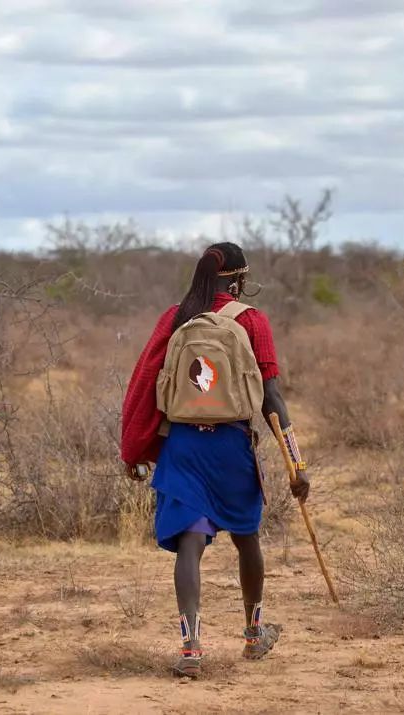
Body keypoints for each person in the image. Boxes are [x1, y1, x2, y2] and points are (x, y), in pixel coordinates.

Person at [120, 242, 309, 679]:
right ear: (239, 280)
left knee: (189, 543)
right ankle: (253, 633)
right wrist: (296, 464)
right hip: (230, 446)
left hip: (183, 444)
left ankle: (191, 647)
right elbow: (272, 398)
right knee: (247, 537)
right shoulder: (252, 321)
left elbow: (146, 382)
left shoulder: (175, 317)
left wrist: (135, 446)